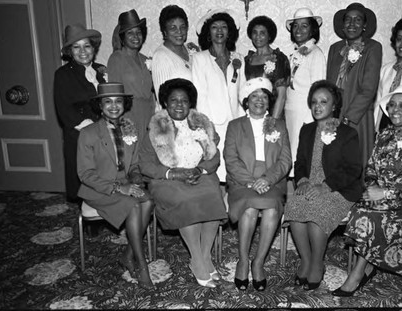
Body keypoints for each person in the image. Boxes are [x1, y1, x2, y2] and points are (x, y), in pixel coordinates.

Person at [333, 85, 402, 297]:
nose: (396, 109)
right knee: (353, 208)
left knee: (366, 216)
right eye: (392, 105)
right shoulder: (384, 134)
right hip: (383, 197)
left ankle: (357, 274)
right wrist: (372, 186)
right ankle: (368, 263)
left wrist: (386, 193)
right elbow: (370, 169)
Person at [139, 78, 227, 288]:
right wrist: (173, 173)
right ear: (165, 104)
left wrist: (200, 169)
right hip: (167, 179)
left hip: (199, 175)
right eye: (173, 101)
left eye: (184, 101)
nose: (179, 105)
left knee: (213, 195)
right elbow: (145, 164)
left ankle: (204, 257)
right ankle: (196, 260)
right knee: (186, 199)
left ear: (191, 104)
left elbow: (214, 156)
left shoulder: (202, 124)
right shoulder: (155, 128)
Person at [284, 80, 362, 290]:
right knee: (294, 206)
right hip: (309, 185)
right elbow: (299, 162)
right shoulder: (306, 130)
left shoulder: (347, 133)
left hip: (338, 189)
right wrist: (302, 181)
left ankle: (318, 263)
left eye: (323, 102)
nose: (317, 106)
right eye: (314, 102)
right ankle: (307, 260)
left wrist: (324, 187)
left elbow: (353, 169)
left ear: (334, 105)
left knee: (317, 211)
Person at [77, 82, 154, 289]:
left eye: (118, 101)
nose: (113, 106)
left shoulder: (130, 128)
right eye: (107, 102)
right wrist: (119, 188)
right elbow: (85, 174)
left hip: (125, 183)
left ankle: (128, 254)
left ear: (124, 104)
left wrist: (136, 177)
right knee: (134, 205)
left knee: (148, 201)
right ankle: (141, 265)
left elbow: (134, 164)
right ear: (100, 106)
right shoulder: (88, 133)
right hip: (99, 188)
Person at [224, 77, 292, 291]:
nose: (260, 100)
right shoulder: (235, 126)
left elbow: (285, 160)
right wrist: (252, 182)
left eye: (264, 96)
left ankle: (258, 262)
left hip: (272, 182)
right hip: (242, 182)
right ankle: (243, 260)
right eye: (255, 96)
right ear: (247, 99)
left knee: (272, 210)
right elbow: (230, 158)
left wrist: (267, 179)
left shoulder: (279, 124)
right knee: (250, 208)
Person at [54, 24, 106, 203]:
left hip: (104, 135)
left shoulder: (102, 70)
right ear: (69, 51)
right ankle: (89, 220)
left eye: (87, 46)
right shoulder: (62, 75)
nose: (82, 51)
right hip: (79, 137)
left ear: (94, 48)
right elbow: (64, 110)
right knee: (85, 179)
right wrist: (94, 131)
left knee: (105, 176)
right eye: (76, 47)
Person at [192, 9, 246, 182]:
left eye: (224, 27)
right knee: (216, 167)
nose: (220, 31)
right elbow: (199, 95)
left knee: (235, 165)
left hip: (236, 121)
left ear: (229, 32)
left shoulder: (239, 58)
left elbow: (243, 91)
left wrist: (245, 119)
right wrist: (207, 127)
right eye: (215, 27)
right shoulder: (200, 59)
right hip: (213, 123)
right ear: (209, 32)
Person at [326, 2, 382, 168]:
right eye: (348, 20)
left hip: (358, 116)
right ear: (342, 25)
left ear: (364, 25)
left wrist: (348, 117)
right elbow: (329, 83)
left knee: (355, 160)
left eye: (358, 20)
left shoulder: (373, 47)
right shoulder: (334, 48)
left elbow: (369, 89)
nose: (352, 24)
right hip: (334, 113)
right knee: (334, 159)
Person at [284, 7, 326, 171]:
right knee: (291, 155)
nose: (298, 30)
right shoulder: (294, 53)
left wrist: (310, 120)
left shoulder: (316, 54)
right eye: (295, 26)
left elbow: (319, 90)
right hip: (290, 112)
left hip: (305, 114)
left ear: (313, 29)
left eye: (304, 25)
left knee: (303, 157)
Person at [107, 9, 154, 139]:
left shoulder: (146, 59)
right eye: (130, 33)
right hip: (128, 115)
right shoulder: (116, 58)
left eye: (138, 32)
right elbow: (114, 92)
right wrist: (121, 122)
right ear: (122, 37)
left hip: (148, 116)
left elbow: (151, 94)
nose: (136, 36)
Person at [152, 5, 199, 105]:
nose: (179, 32)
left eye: (183, 27)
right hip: (176, 115)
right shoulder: (161, 56)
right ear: (165, 32)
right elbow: (163, 99)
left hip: (195, 114)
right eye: (173, 28)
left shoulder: (191, 50)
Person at [244, 16, 291, 119]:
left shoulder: (279, 59)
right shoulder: (247, 60)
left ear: (269, 36)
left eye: (262, 33)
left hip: (272, 115)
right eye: (255, 32)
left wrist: (273, 122)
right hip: (251, 115)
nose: (258, 36)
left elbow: (281, 95)